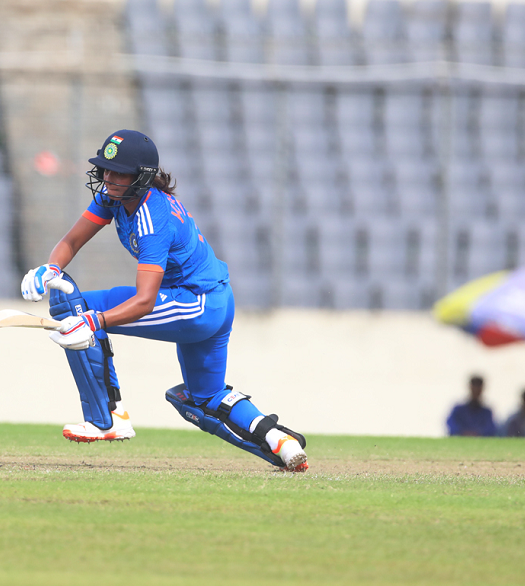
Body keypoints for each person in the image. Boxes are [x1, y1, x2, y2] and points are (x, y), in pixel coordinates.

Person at [20, 129, 309, 471]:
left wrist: (94, 321)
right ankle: (280, 443)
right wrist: (50, 267)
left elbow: (144, 301)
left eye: (118, 172)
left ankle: (106, 419)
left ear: (140, 177)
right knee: (198, 399)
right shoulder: (116, 196)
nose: (108, 178)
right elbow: (71, 241)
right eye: (106, 170)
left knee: (79, 308)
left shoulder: (150, 216)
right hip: (215, 299)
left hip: (195, 303)